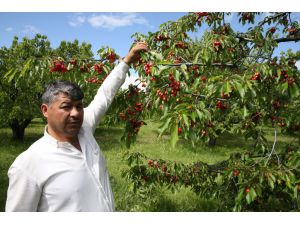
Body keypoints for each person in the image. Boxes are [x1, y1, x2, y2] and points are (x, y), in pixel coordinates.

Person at [5, 42, 148, 212]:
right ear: (45, 110)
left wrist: (126, 62)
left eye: (79, 106)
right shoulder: (28, 164)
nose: (75, 113)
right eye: (66, 107)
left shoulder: (84, 129)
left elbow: (104, 95)